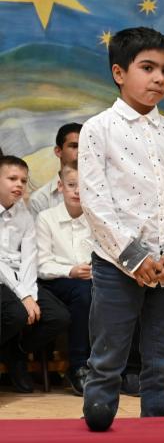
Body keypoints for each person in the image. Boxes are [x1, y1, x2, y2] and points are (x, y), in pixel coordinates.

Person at [78, 27, 164, 431]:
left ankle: (156, 425)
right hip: (117, 264)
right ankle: (98, 420)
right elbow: (95, 202)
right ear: (119, 72)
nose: (158, 78)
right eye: (147, 68)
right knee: (108, 354)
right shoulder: (98, 129)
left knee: (163, 357)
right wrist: (133, 256)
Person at [0, 155, 71, 393]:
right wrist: (23, 295)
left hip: (21, 277)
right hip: (2, 278)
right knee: (16, 315)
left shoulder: (24, 213)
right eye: (12, 178)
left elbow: (29, 258)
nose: (19, 184)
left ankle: (16, 352)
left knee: (59, 317)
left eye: (23, 180)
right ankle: (10, 356)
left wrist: (30, 293)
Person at [35, 162, 93, 395]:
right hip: (55, 282)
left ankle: (112, 366)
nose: (78, 191)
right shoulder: (46, 218)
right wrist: (70, 270)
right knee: (83, 292)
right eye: (71, 185)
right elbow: (41, 265)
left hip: (90, 280)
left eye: (83, 186)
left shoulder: (95, 218)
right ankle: (79, 365)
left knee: (110, 292)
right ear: (60, 186)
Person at [28, 123, 81, 216]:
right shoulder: (40, 199)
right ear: (58, 151)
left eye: (86, 146)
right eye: (74, 146)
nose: (80, 151)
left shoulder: (103, 190)